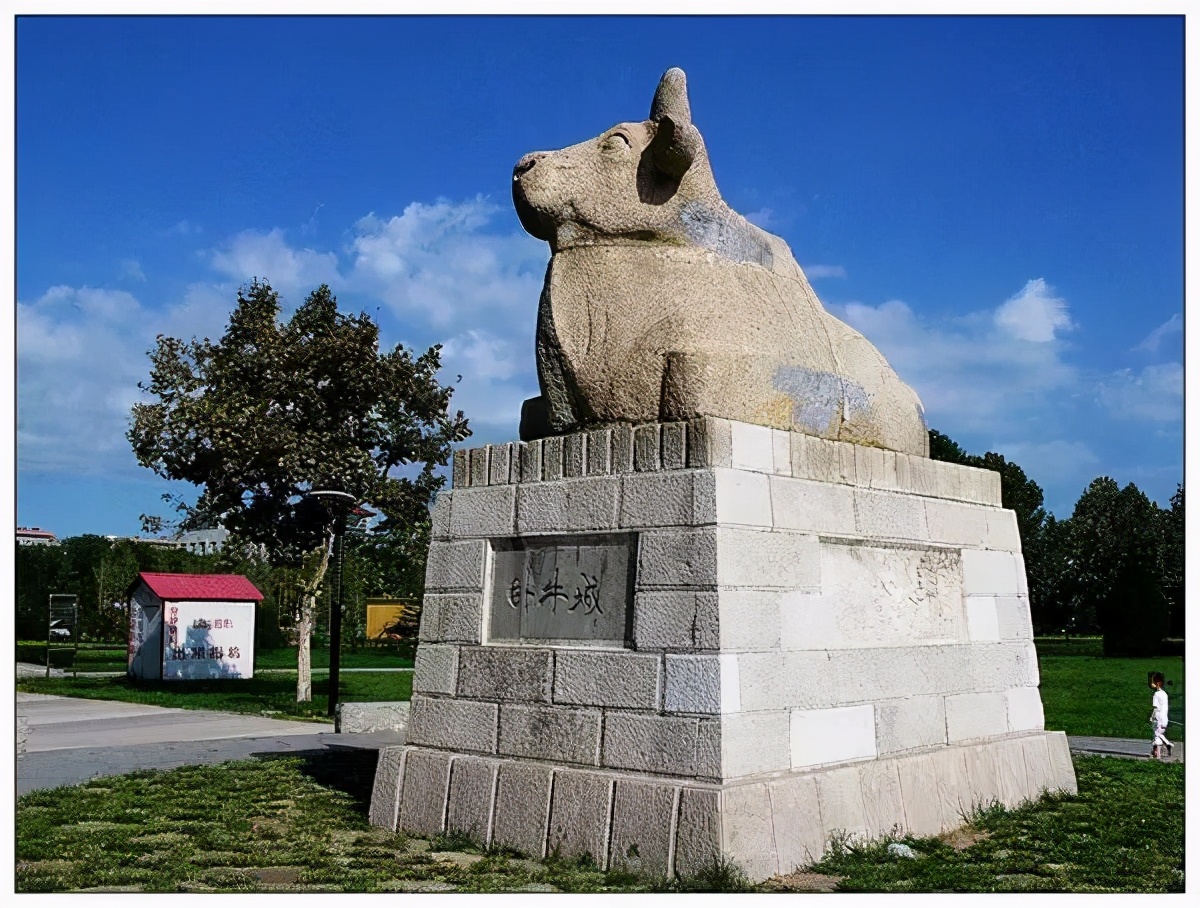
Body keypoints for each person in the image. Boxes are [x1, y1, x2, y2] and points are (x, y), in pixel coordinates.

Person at [1149, 671, 1173, 760]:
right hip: (1165, 719)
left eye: (1153, 682)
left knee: (1156, 735)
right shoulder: (1165, 694)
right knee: (1159, 734)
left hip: (1158, 718)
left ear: (1158, 683)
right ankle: (1167, 744)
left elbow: (1156, 708)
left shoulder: (1156, 694)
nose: (1151, 683)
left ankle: (1158, 755)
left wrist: (1152, 716)